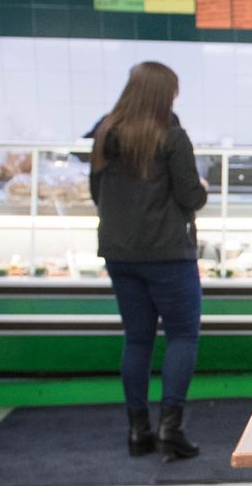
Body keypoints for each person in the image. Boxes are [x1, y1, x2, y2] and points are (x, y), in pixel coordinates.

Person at [89, 62, 208, 460]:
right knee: (182, 335)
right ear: (164, 96)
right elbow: (191, 197)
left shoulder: (105, 133)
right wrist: (203, 188)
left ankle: (137, 431)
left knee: (137, 338)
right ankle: (170, 429)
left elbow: (96, 192)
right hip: (168, 254)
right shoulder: (172, 137)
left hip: (120, 254)